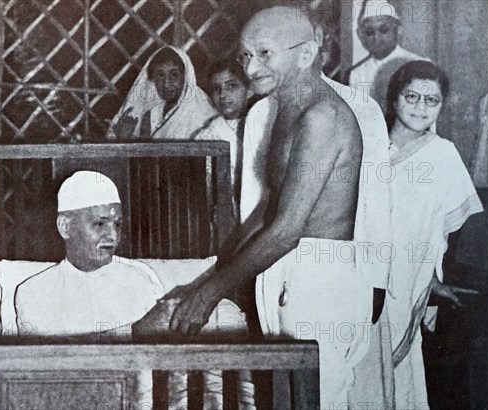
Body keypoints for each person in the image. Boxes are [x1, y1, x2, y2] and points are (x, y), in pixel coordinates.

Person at [151, 6, 393, 408]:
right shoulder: (282, 108)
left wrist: (211, 292)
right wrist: (211, 274)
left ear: (306, 53)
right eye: (246, 55)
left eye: (265, 53)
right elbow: (269, 210)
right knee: (282, 402)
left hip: (322, 281)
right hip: (287, 271)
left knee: (320, 401)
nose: (252, 66)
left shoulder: (323, 116)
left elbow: (287, 228)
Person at [15, 170, 255, 409]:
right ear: (65, 226)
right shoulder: (33, 291)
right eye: (99, 224)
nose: (113, 236)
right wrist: (137, 331)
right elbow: (49, 368)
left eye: (117, 224)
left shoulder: (140, 278)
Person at [384, 61, 483, 408]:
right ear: (394, 99)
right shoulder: (368, 148)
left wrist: (433, 281)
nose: (420, 107)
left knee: (400, 376)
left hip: (411, 281)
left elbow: (440, 232)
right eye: (411, 96)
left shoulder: (443, 155)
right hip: (364, 278)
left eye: (432, 100)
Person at [192, 58, 257, 219]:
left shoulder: (263, 125)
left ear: (249, 90)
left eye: (231, 86)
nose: (223, 95)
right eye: (216, 89)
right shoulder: (206, 137)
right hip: (225, 216)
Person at [109, 46, 216, 140]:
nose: (166, 84)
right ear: (152, 78)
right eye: (160, 75)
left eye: (174, 75)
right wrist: (124, 138)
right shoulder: (151, 114)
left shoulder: (204, 113)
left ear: (186, 76)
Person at [347, 0, 429, 112]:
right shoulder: (358, 73)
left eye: (383, 29)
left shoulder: (420, 65)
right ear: (362, 36)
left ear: (398, 30)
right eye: (370, 32)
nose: (376, 37)